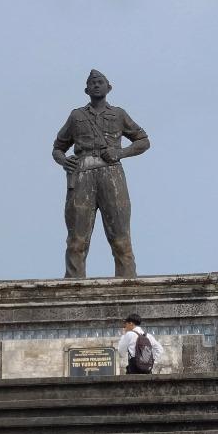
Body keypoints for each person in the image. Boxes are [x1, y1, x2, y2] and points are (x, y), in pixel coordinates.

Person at [52, 69, 151, 279]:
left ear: (109, 87)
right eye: (92, 83)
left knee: (121, 238)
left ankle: (127, 285)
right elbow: (58, 148)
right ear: (86, 90)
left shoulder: (119, 114)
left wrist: (120, 153)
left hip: (112, 173)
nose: (96, 85)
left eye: (100, 82)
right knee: (77, 240)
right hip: (82, 174)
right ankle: (73, 286)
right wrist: (64, 161)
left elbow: (143, 141)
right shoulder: (76, 116)